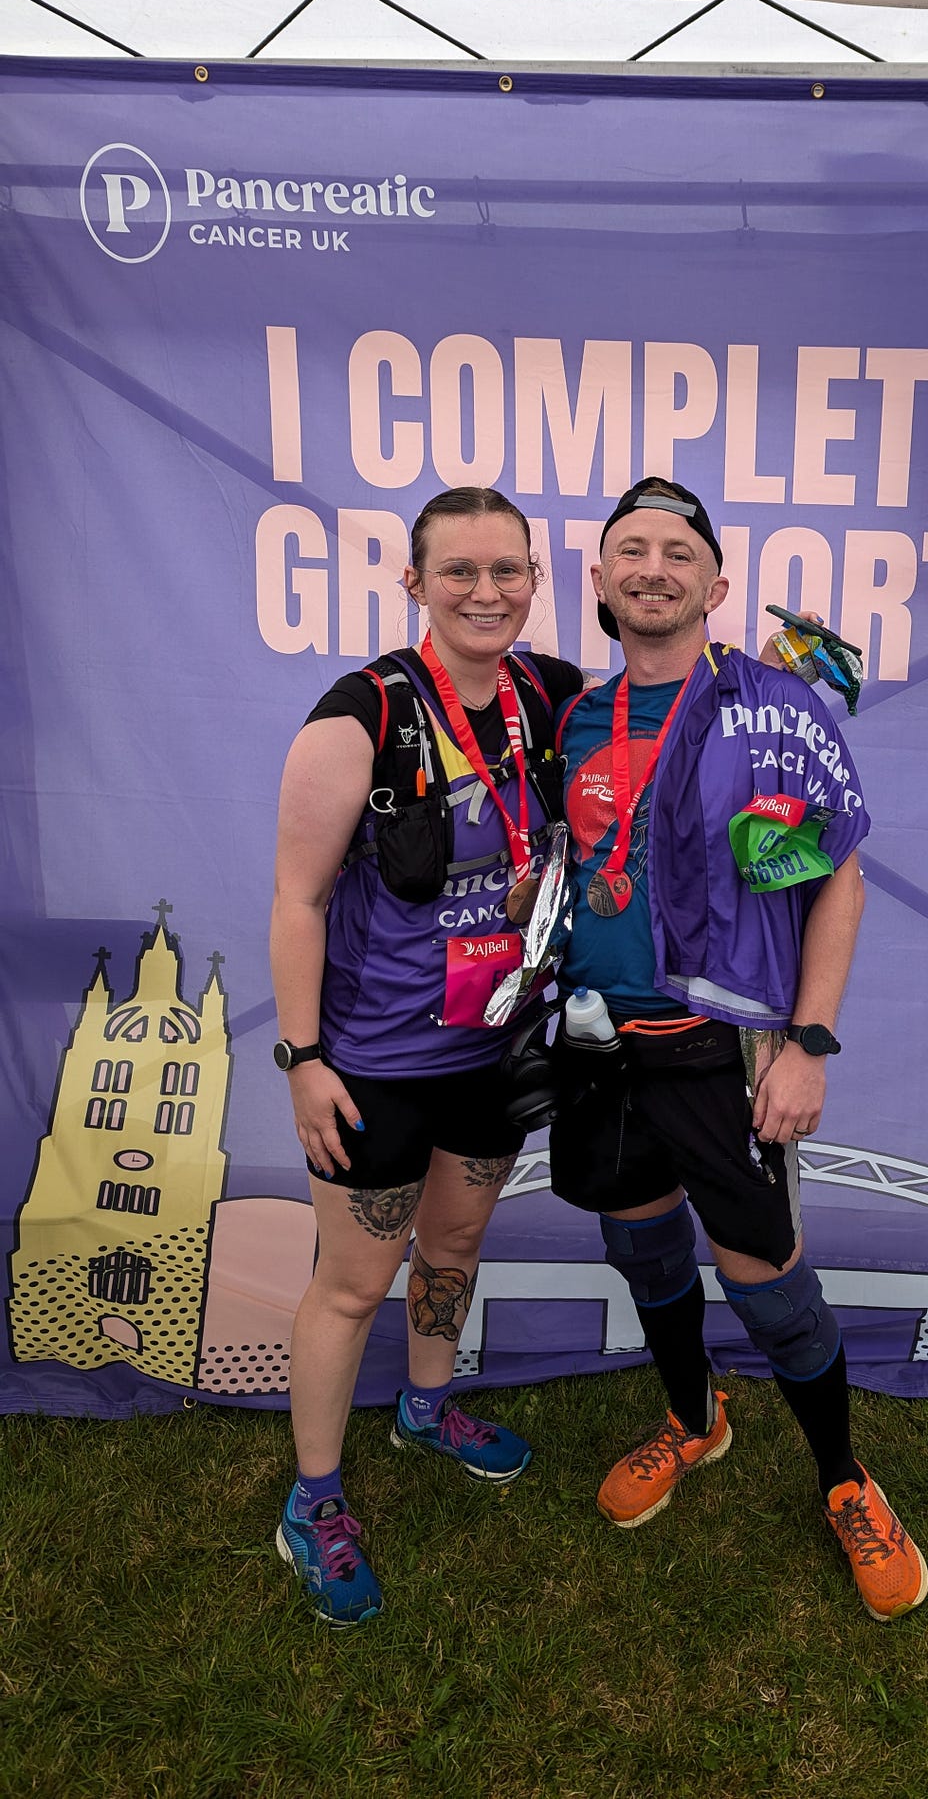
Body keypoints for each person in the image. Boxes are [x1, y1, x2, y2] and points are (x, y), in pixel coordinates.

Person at [550, 477, 928, 1621]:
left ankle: (843, 1478)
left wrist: (805, 1040)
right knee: (640, 1239)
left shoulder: (770, 709)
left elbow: (834, 878)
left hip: (721, 1044)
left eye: (677, 550)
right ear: (603, 580)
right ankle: (693, 1415)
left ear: (714, 586)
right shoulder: (576, 716)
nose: (652, 566)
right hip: (599, 1040)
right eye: (631, 549)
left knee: (764, 1269)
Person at [269, 484, 583, 1625]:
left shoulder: (551, 698)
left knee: (452, 1243)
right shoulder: (358, 716)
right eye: (460, 570)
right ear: (415, 582)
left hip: (498, 1048)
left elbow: (662, 733)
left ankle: (428, 1401)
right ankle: (315, 1499)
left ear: (534, 580)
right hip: (376, 1062)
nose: (486, 591)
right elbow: (298, 900)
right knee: (353, 1282)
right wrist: (304, 1057)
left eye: (508, 570)